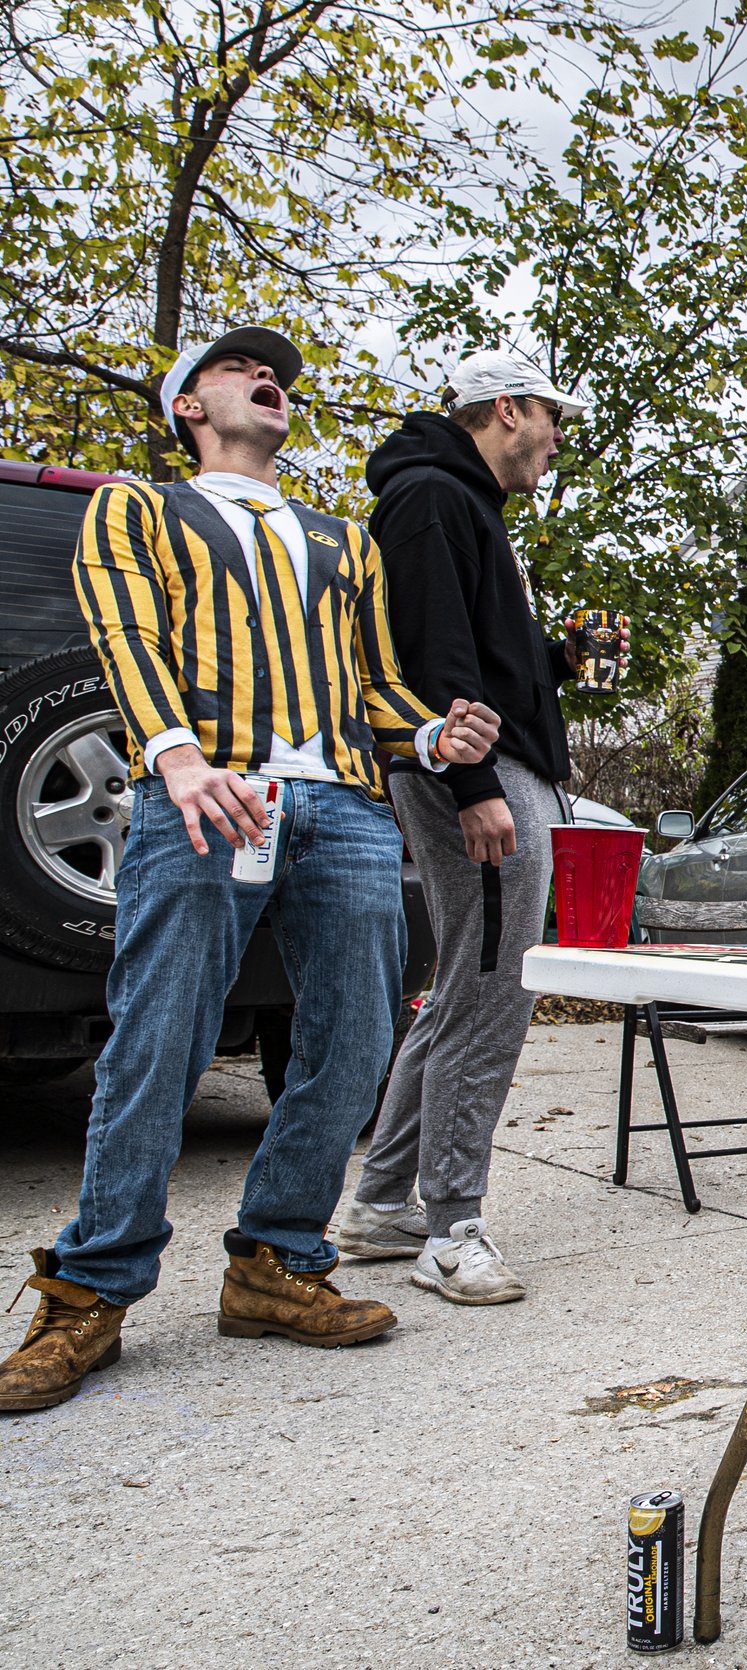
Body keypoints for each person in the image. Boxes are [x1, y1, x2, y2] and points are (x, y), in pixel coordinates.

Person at [1, 327, 502, 1414]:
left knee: (356, 1042)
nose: (267, 376)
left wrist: (432, 737)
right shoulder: (140, 509)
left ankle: (276, 1261)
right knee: (160, 1037)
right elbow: (126, 637)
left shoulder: (341, 538)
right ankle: (91, 1286)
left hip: (347, 811)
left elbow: (374, 683)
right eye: (237, 367)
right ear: (189, 407)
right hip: (205, 795)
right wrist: (176, 757)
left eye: (275, 372)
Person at [341, 350, 604, 1306]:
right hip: (475, 777)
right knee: (493, 993)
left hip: (486, 769)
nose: (558, 440)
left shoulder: (462, 504)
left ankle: (380, 1205)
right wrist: (473, 784)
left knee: (463, 988)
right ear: (508, 409)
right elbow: (432, 658)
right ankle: (451, 1231)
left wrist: (558, 661)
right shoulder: (431, 498)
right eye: (553, 419)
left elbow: (480, 653)